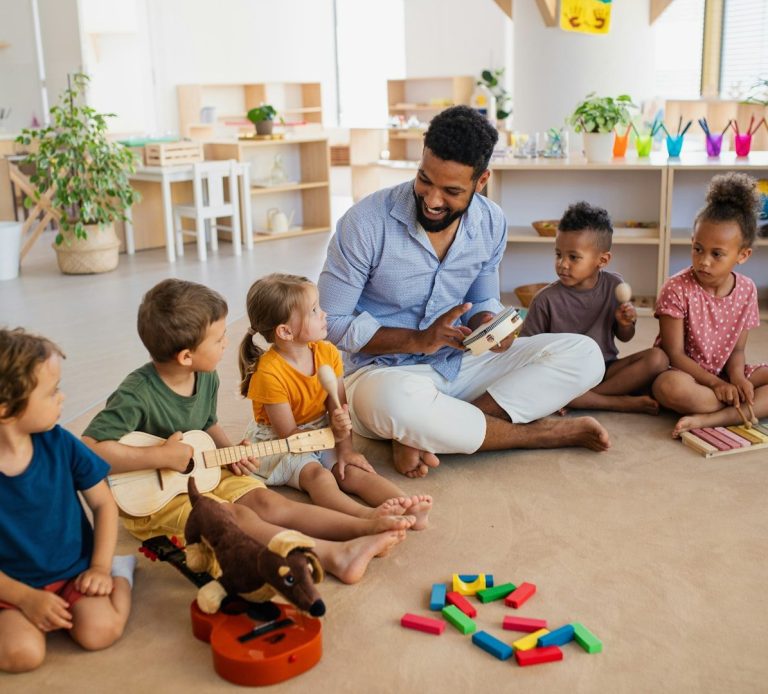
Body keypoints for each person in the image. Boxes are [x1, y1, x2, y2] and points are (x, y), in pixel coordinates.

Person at [318, 105, 611, 479]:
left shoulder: (491, 222)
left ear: (481, 179)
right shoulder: (364, 224)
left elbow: (484, 299)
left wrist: (490, 324)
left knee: (585, 356)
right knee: (396, 403)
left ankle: (432, 430)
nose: (433, 199)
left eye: (452, 190)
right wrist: (418, 340)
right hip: (383, 374)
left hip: (459, 363)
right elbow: (331, 323)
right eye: (425, 179)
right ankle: (537, 434)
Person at [81, 279, 407, 585]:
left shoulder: (205, 376)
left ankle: (362, 525)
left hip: (205, 468)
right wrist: (161, 456)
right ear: (185, 356)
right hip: (153, 499)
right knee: (234, 517)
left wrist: (229, 453)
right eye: (219, 338)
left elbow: (206, 422)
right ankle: (334, 556)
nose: (227, 342)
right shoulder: (136, 393)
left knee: (268, 503)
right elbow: (90, 449)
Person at [238, 273, 432, 529]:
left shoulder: (326, 351)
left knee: (351, 469)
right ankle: (365, 517)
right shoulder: (268, 373)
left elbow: (337, 404)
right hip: (283, 440)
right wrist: (333, 434)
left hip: (318, 428)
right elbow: (289, 435)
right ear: (285, 331)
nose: (324, 313)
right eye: (314, 310)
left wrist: (345, 446)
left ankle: (407, 505)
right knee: (318, 476)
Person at [0, 328, 133, 673]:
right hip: (10, 585)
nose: (62, 398)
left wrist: (101, 568)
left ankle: (122, 574)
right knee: (22, 655)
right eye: (52, 392)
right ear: (5, 409)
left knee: (99, 632)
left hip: (76, 571)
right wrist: (25, 598)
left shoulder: (60, 443)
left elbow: (104, 504)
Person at [519, 202, 669, 414]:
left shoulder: (615, 286)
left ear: (603, 260)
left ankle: (579, 399)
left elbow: (625, 337)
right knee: (530, 383)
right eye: (558, 254)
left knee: (658, 359)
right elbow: (524, 352)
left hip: (604, 368)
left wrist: (625, 323)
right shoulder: (545, 300)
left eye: (573, 257)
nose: (562, 264)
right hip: (562, 375)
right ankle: (613, 402)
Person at [652, 172, 768, 436]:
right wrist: (716, 384)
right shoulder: (676, 288)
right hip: (685, 374)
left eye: (717, 254)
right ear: (692, 241)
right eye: (698, 249)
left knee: (749, 383)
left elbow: (737, 352)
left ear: (743, 255)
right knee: (669, 388)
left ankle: (715, 417)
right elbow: (674, 354)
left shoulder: (747, 290)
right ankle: (737, 409)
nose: (704, 261)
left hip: (725, 372)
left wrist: (737, 379)